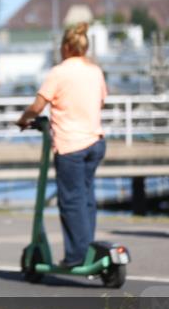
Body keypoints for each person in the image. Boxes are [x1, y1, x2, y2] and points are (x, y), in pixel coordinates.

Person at [16, 23, 107, 266]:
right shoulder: (95, 71)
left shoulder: (59, 72)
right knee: (86, 198)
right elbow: (101, 101)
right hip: (95, 142)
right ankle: (88, 248)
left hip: (71, 145)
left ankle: (77, 255)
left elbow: (37, 106)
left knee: (71, 201)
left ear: (66, 47)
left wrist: (23, 119)